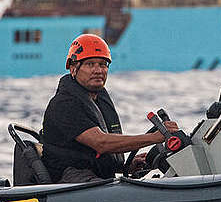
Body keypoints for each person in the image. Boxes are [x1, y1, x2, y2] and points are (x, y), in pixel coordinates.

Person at [37, 33, 178, 182]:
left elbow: (90, 155)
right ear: (73, 68)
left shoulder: (97, 99)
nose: (98, 70)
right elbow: (101, 143)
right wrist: (155, 137)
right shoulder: (64, 104)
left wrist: (125, 167)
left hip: (92, 175)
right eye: (90, 64)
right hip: (69, 181)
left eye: (103, 64)